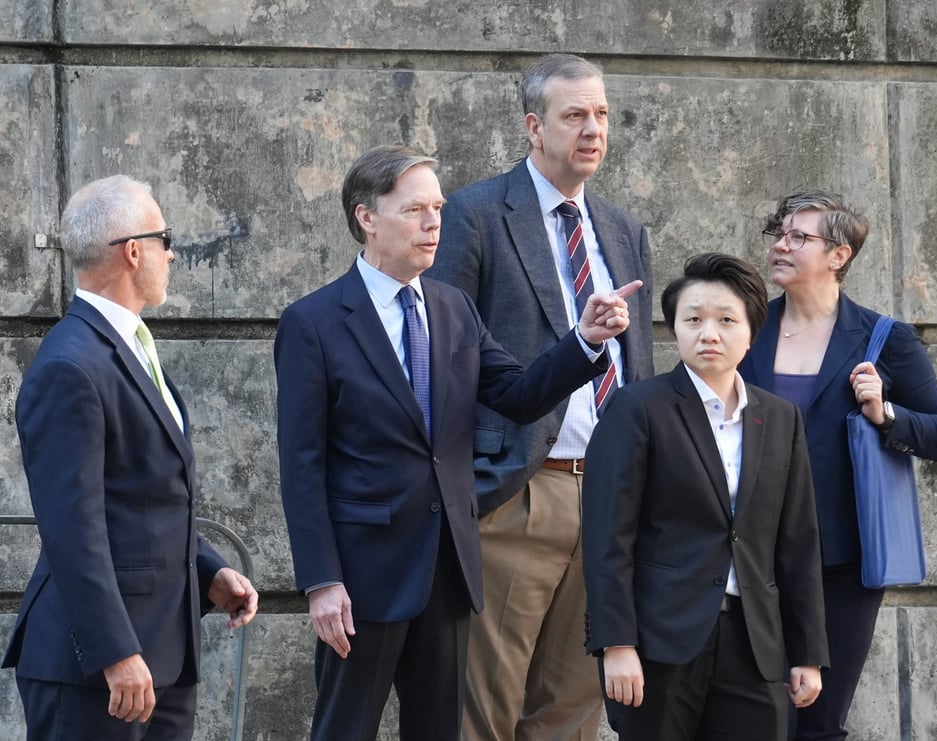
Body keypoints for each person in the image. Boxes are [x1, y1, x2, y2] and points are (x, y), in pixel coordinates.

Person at [274, 144, 640, 741]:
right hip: (364, 577)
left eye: (438, 207)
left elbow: (519, 396)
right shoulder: (312, 322)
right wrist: (321, 580)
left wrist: (585, 342)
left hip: (448, 567)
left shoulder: (452, 306)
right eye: (415, 209)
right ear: (367, 217)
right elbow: (302, 464)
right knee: (345, 728)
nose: (433, 223)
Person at [427, 52, 653, 741]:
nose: (593, 129)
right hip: (517, 495)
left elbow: (637, 366)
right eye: (575, 115)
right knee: (482, 712)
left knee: (574, 713)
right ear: (534, 125)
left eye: (603, 114)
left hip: (612, 500)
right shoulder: (472, 216)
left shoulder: (623, 231)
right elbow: (443, 361)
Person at [2, 175, 259, 740]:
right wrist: (115, 652)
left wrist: (209, 571)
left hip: (163, 655)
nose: (172, 252)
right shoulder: (70, 365)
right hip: (98, 669)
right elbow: (73, 526)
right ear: (135, 251)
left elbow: (143, 498)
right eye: (165, 237)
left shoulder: (127, 345)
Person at [739, 191, 937, 739]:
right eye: (779, 234)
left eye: (800, 237)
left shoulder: (881, 338)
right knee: (751, 718)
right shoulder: (745, 329)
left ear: (839, 255)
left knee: (816, 721)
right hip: (748, 557)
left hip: (839, 563)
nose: (782, 247)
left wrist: (886, 413)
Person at [582, 252, 829, 741]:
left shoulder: (780, 419)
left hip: (754, 641)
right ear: (675, 327)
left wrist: (808, 653)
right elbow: (608, 536)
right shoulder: (638, 407)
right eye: (693, 320)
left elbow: (797, 542)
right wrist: (616, 644)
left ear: (751, 331)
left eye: (725, 320)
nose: (708, 333)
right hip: (661, 641)